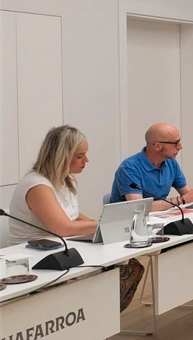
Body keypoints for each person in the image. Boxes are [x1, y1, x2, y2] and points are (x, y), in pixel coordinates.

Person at [7, 125, 145, 312]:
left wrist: (100, 224)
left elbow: (72, 214)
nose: (86, 160)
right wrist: (103, 224)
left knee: (131, 266)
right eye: (80, 156)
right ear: (61, 157)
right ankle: (93, 317)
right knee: (115, 269)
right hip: (37, 258)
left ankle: (100, 318)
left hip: (63, 248)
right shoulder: (37, 185)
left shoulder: (67, 179)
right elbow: (63, 228)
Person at [111, 123, 193, 328]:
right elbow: (137, 208)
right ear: (157, 145)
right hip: (130, 231)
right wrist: (182, 200)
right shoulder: (129, 167)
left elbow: (186, 194)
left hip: (160, 223)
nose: (180, 146)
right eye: (175, 143)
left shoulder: (171, 164)